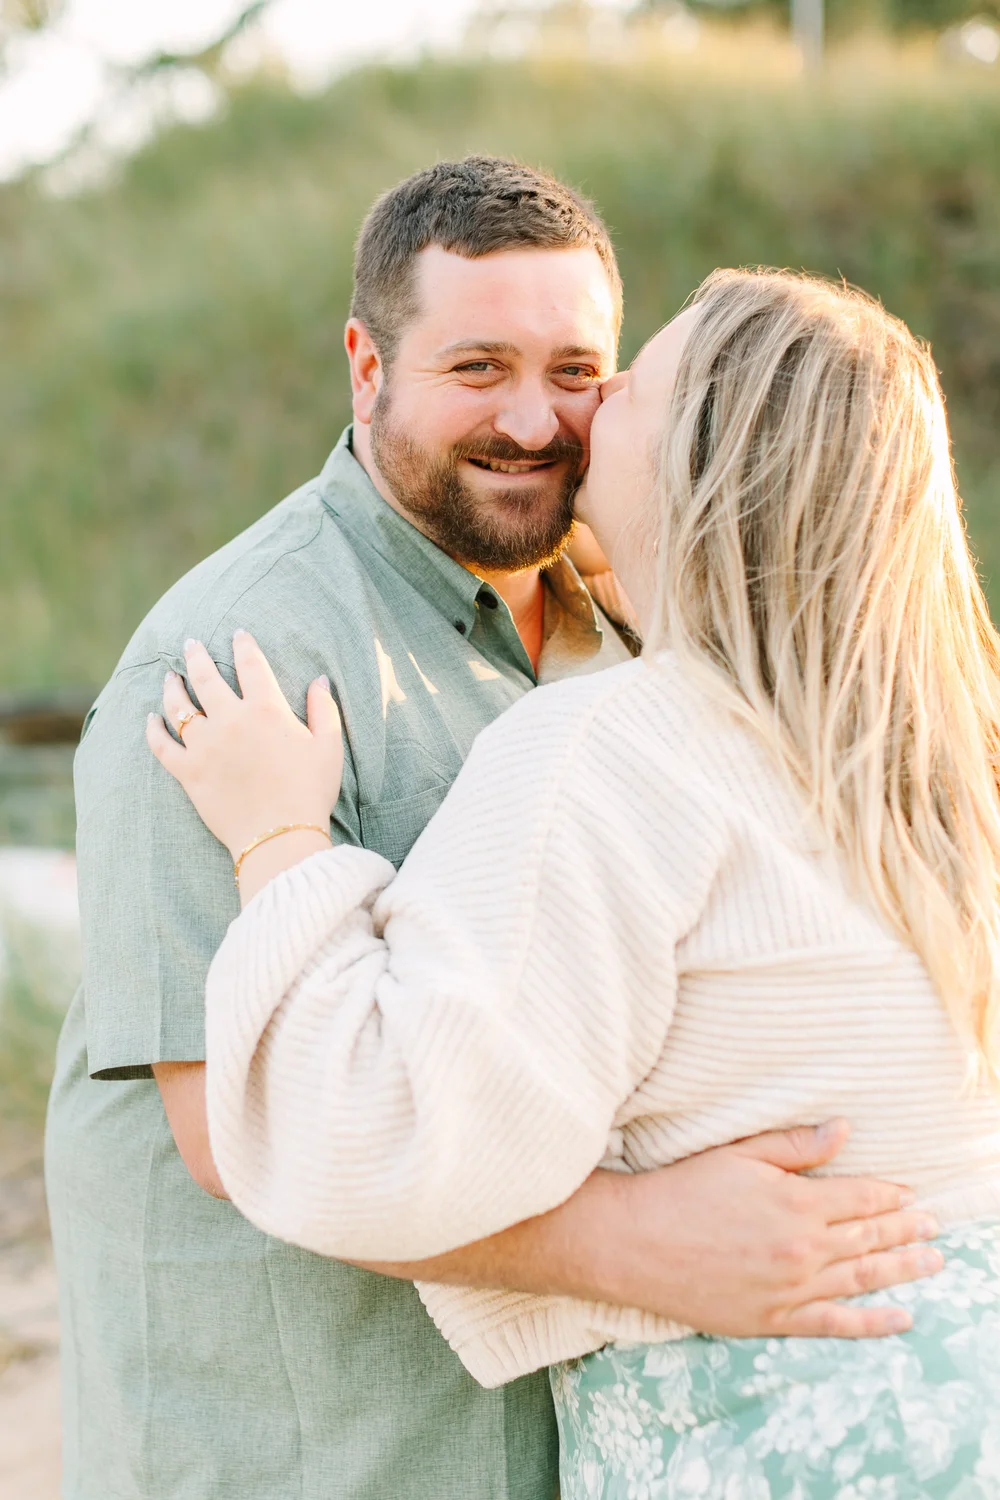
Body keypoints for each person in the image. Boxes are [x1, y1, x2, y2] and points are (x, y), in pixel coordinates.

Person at [47, 158, 936, 1500]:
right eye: (477, 368)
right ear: (366, 364)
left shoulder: (639, 626)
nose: (534, 421)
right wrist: (633, 1242)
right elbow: (238, 1137)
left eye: (577, 371)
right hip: (323, 1454)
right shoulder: (235, 662)